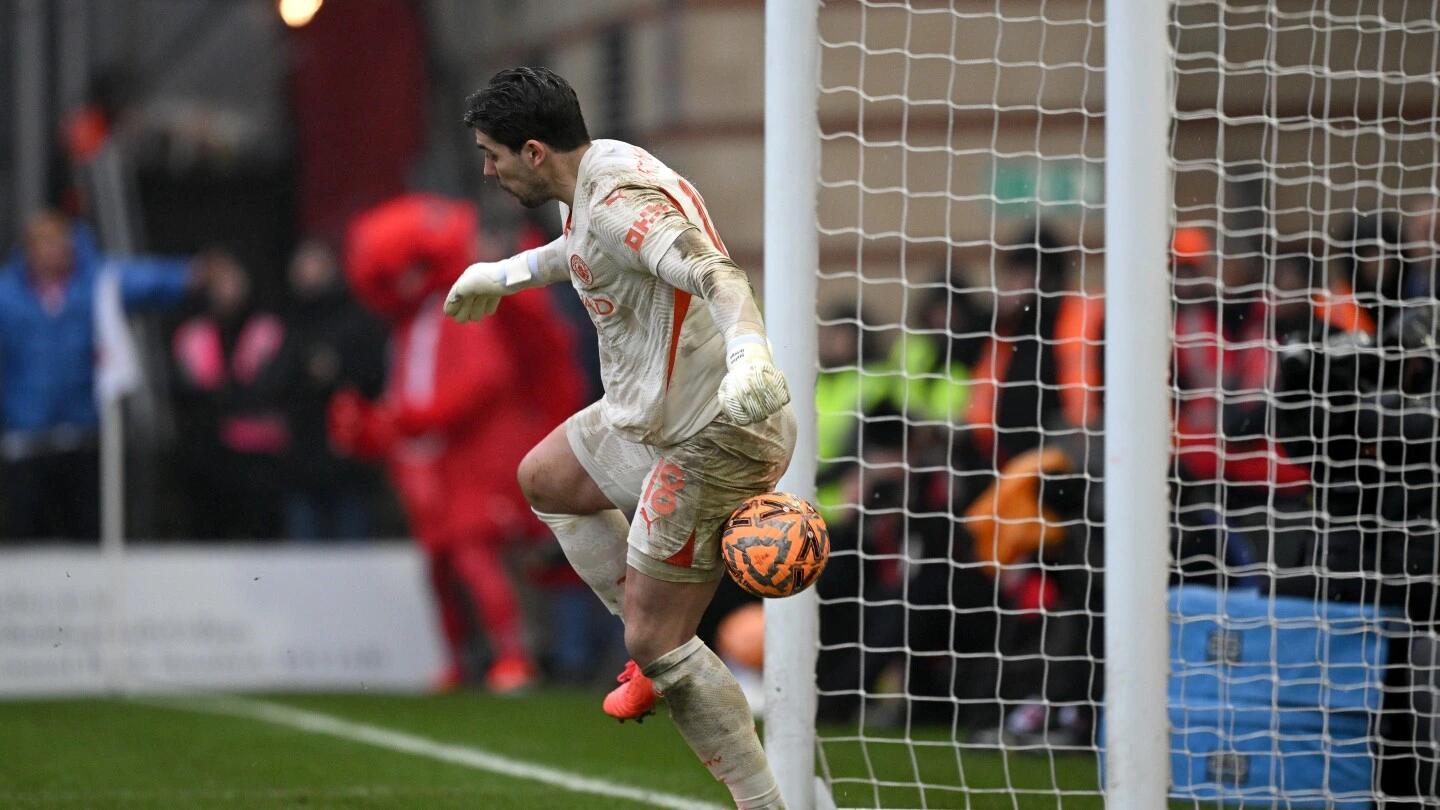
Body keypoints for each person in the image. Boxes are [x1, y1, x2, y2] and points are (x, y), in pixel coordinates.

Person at [446, 68, 796, 809]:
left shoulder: (616, 206)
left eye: (493, 154)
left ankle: (765, 802)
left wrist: (750, 354)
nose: (487, 169)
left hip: (714, 435)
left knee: (659, 640)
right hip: (651, 416)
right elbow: (580, 254)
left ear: (534, 151)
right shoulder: (599, 168)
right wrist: (502, 274)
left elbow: (712, 271)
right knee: (545, 478)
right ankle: (654, 652)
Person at [334, 192, 581, 694]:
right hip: (429, 462)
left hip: (472, 458)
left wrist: (403, 420)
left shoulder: (466, 306)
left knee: (476, 555)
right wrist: (381, 424)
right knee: (439, 563)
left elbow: (480, 382)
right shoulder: (412, 323)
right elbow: (411, 386)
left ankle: (513, 656)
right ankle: (458, 659)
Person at [0, 211, 200, 541]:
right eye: (41, 244)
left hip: (83, 428)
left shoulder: (95, 282)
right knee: (25, 528)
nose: (50, 252)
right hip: (27, 433)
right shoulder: (8, 294)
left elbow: (143, 279)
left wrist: (189, 275)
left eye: (57, 243)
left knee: (88, 525)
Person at [170, 249, 288, 540]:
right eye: (219, 282)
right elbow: (185, 390)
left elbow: (274, 385)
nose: (226, 290)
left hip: (258, 452)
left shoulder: (268, 330)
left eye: (233, 280)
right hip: (206, 454)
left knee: (261, 533)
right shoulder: (192, 333)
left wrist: (228, 399)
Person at [273, 239, 386, 541]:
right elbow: (271, 380)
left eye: (313, 263)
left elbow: (378, 377)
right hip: (300, 461)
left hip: (351, 462)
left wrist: (339, 371)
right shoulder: (285, 322)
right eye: (301, 265)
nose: (306, 273)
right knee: (304, 561)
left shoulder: (359, 319)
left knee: (353, 555)